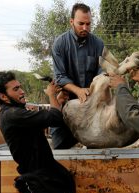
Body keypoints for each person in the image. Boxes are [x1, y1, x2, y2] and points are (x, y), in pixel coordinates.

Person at [0, 71, 75, 193]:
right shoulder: (12, 115)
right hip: (36, 180)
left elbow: (47, 117)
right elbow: (55, 119)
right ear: (3, 96)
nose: (22, 92)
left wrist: (57, 101)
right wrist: (52, 95)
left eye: (20, 87)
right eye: (16, 89)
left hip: (45, 175)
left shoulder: (16, 112)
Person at [51, 2, 104, 149]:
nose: (85, 28)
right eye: (81, 24)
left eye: (88, 24)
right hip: (66, 104)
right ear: (71, 21)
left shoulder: (98, 44)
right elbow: (60, 77)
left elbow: (102, 72)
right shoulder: (59, 44)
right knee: (60, 149)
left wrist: (91, 88)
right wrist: (78, 91)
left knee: (97, 153)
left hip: (92, 105)